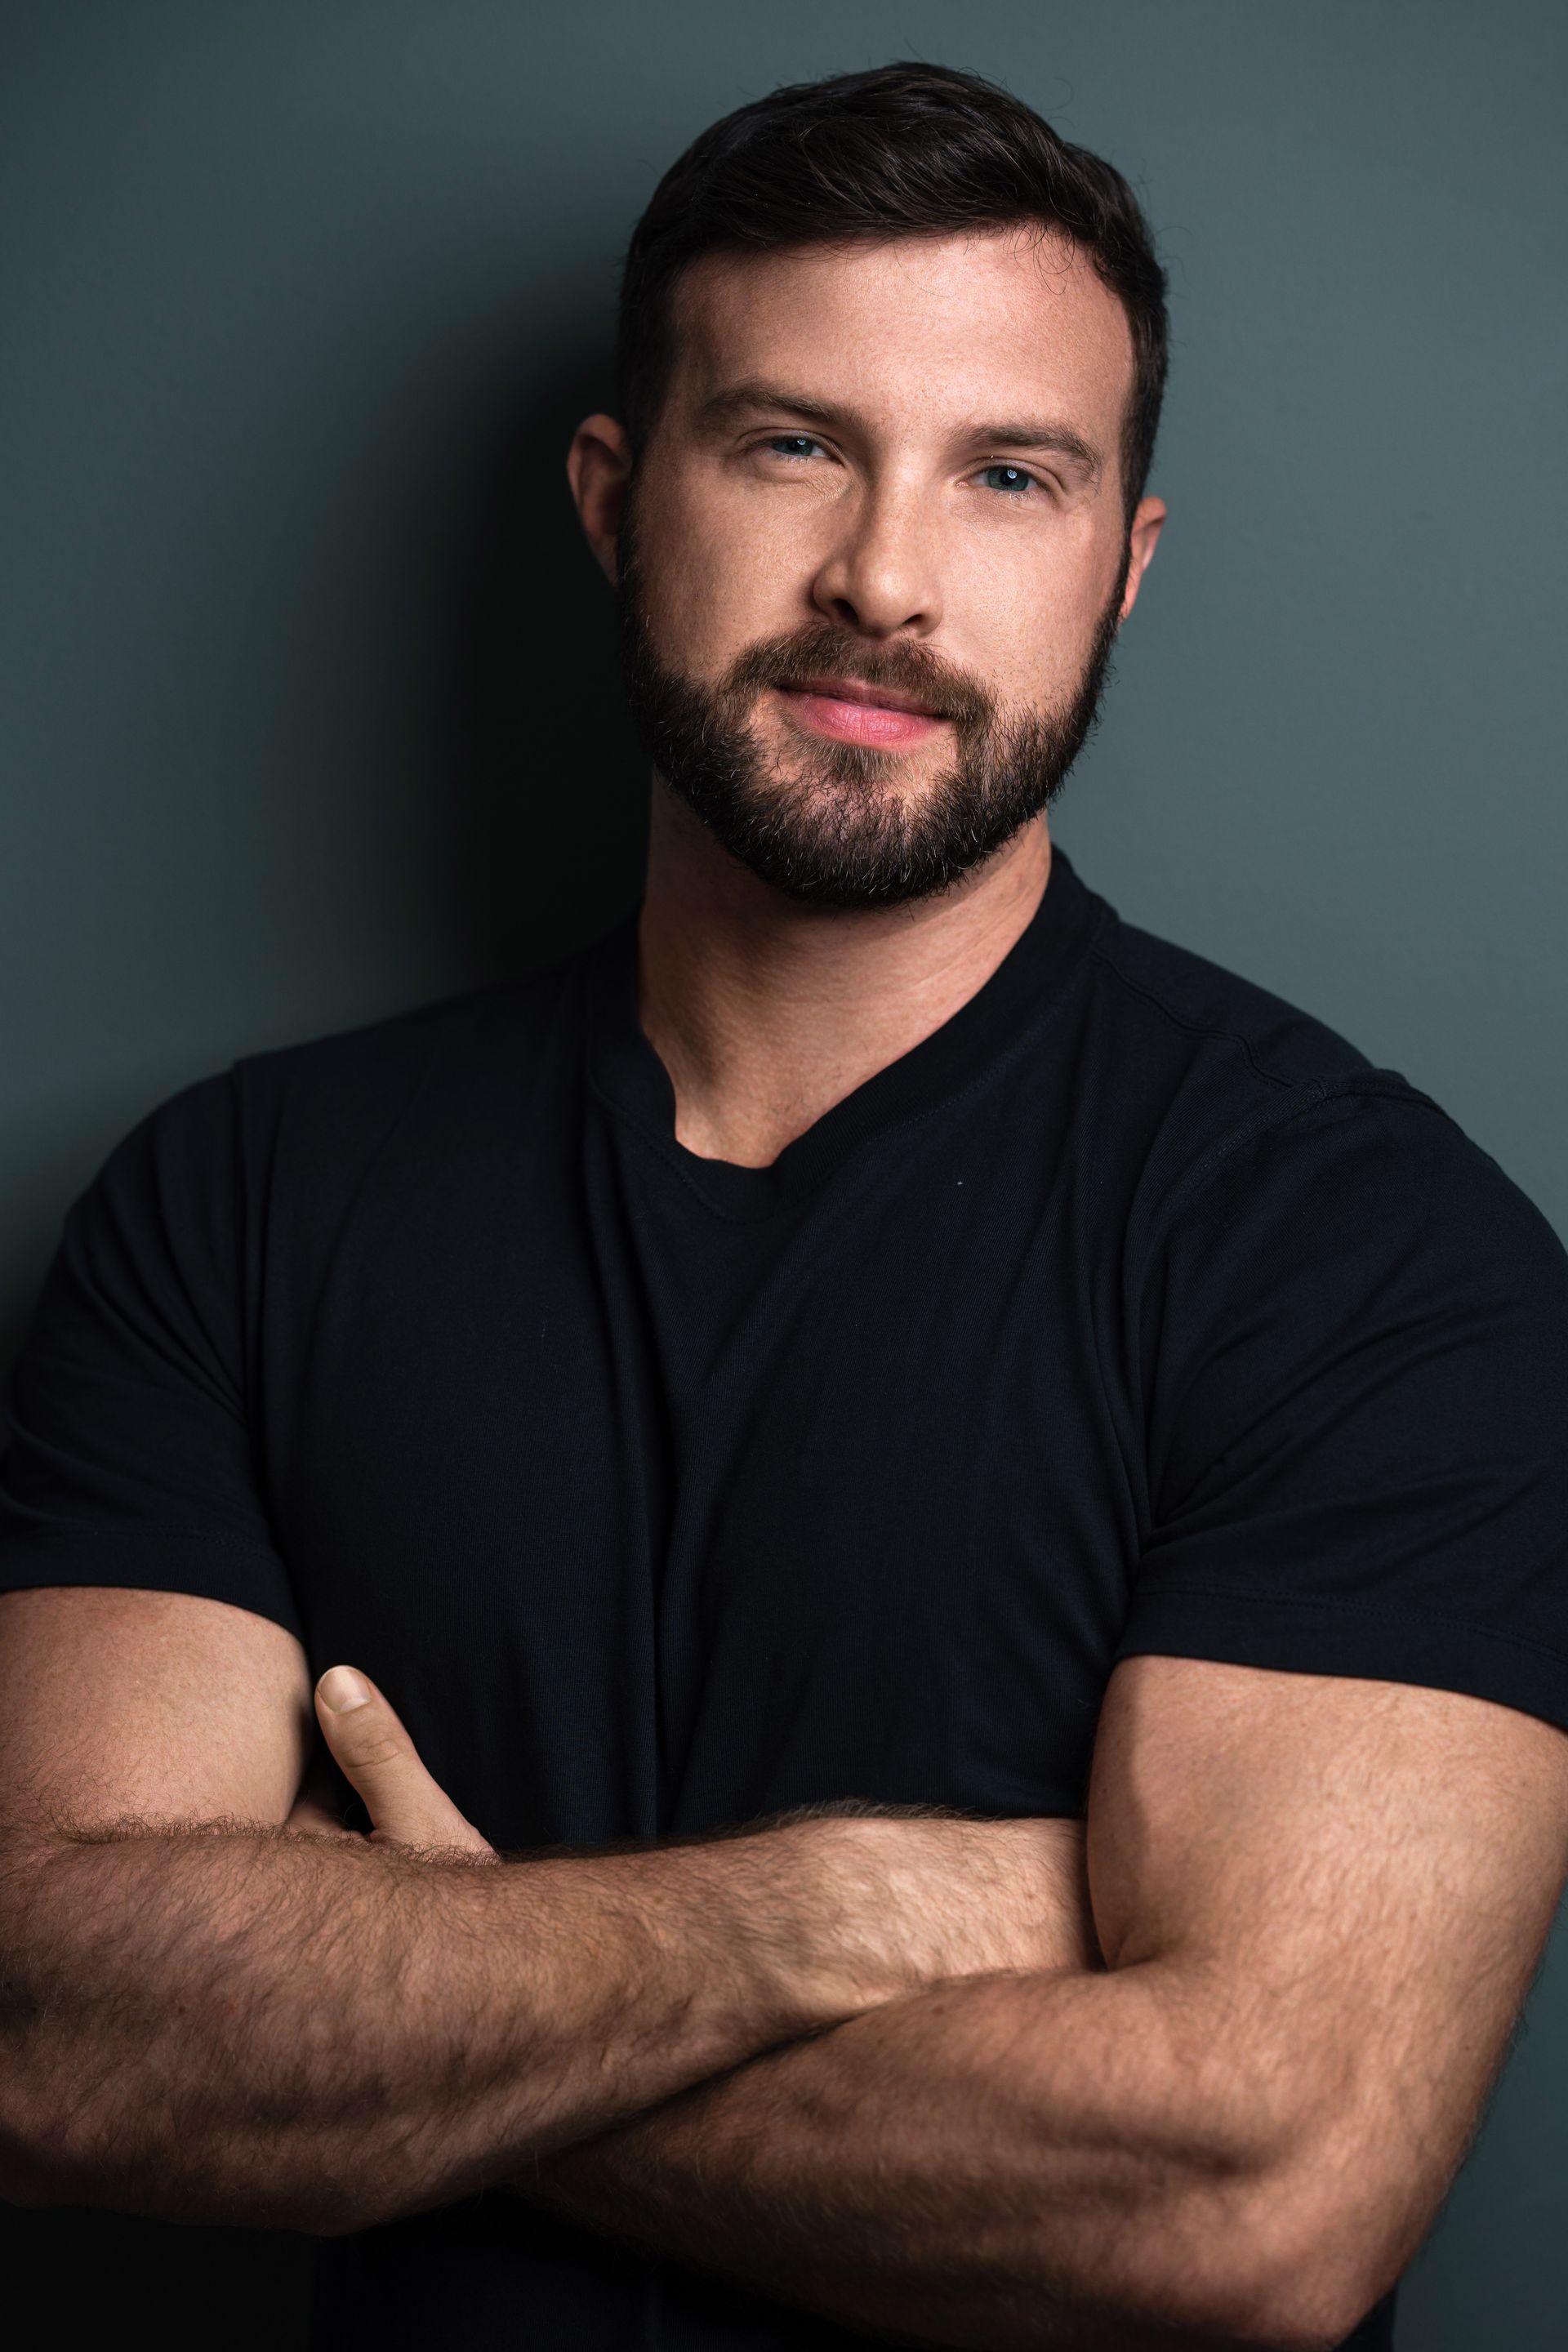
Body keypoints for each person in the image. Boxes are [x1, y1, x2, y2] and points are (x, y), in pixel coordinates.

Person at [2, 57, 1566, 2352]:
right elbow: (53, 2033)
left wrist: (408, 1999)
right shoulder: (232, 1208)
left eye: (1009, 475)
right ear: (615, 500)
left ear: (1124, 565)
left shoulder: (1365, 1257)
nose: (884, 583)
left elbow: (1256, 2200)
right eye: (792, 445)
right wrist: (837, 1913)